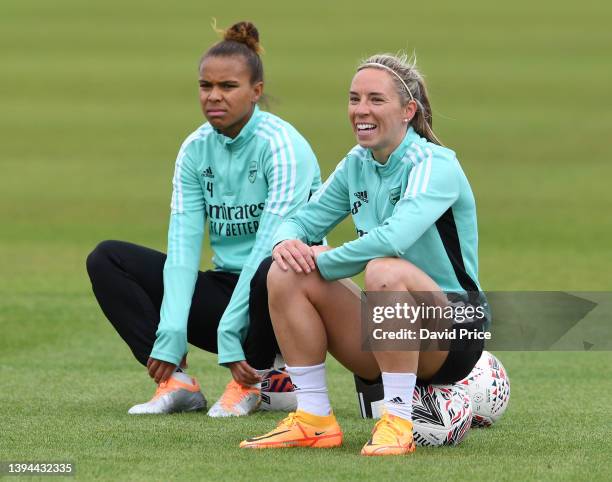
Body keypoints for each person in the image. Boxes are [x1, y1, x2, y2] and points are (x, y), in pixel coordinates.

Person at [240, 53, 488, 455]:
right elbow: (301, 220)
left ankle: (397, 422)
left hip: (455, 333)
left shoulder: (435, 164)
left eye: (375, 99)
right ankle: (314, 418)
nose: (361, 110)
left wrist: (322, 259)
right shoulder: (358, 163)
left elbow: (394, 238)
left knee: (384, 271)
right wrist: (286, 243)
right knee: (283, 270)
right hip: (389, 327)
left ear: (408, 111)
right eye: (354, 99)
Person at [86, 21, 322, 416]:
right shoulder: (195, 149)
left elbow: (270, 242)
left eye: (228, 87)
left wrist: (231, 331)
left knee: (270, 267)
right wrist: (171, 331)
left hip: (290, 297)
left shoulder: (282, 145)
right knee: (107, 258)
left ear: (256, 92)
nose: (214, 96)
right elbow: (182, 247)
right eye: (205, 86)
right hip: (229, 287)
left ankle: (254, 382)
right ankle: (174, 381)